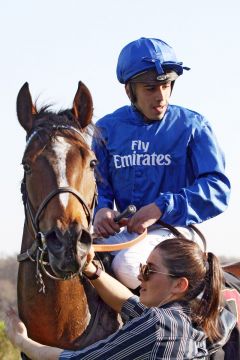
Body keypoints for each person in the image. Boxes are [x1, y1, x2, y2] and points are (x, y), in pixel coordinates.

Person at [92, 37, 231, 289]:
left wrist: (160, 207)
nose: (161, 96)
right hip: (126, 235)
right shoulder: (106, 130)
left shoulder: (193, 125)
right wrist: (101, 210)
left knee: (128, 265)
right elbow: (98, 188)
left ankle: (166, 326)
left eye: (166, 86)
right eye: (150, 89)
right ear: (129, 90)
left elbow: (218, 189)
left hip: (178, 232)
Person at [5, 238, 236, 359]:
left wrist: (21, 341)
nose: (139, 277)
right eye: (142, 267)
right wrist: (92, 270)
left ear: (179, 285)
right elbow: (128, 302)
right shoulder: (186, 322)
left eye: (149, 271)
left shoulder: (158, 325)